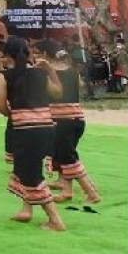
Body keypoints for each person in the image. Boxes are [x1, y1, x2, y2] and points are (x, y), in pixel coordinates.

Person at [0, 37, 66, 231]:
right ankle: (26, 209)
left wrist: (14, 116)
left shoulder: (5, 76)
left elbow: (1, 106)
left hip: (25, 130)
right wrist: (51, 71)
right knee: (25, 167)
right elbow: (58, 93)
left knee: (30, 173)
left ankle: (55, 219)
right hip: (46, 128)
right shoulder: (40, 73)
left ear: (7, 56)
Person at [48, 47, 101, 204]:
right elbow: (80, 86)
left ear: (45, 55)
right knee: (65, 154)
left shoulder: (47, 74)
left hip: (62, 120)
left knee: (68, 157)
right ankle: (67, 190)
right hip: (77, 118)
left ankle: (90, 191)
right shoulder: (73, 72)